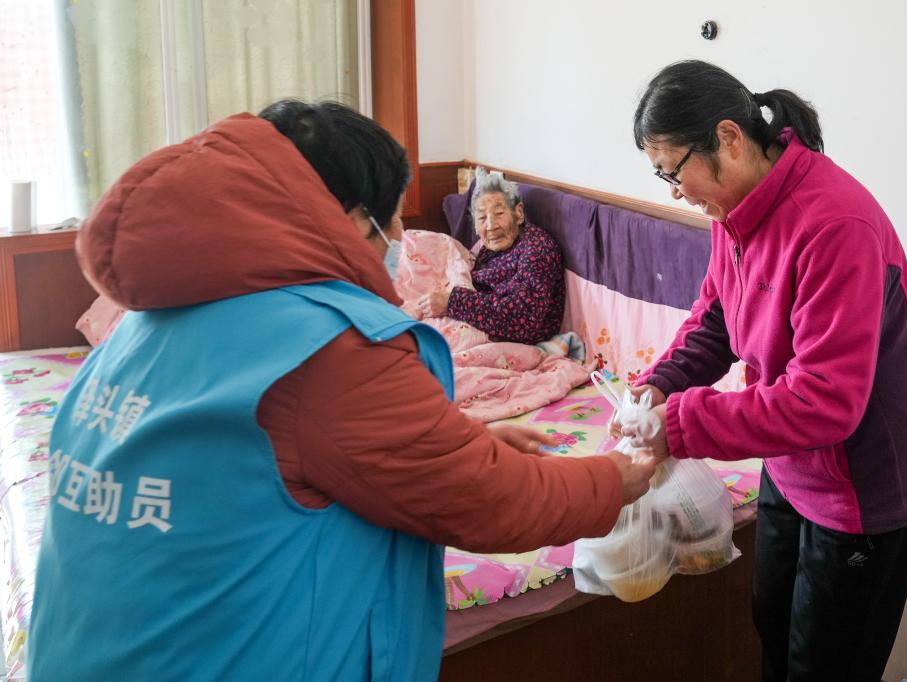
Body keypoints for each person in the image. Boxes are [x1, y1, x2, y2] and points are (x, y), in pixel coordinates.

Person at [28, 100, 657, 681]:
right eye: (392, 221)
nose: (397, 242)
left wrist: (462, 438)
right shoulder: (328, 342)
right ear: (355, 219)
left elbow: (266, 453)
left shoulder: (141, 326)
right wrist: (611, 480)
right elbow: (482, 500)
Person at [621, 61, 907, 682]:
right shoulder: (733, 212)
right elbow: (716, 317)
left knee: (822, 666)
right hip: (791, 462)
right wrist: (659, 385)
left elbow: (826, 400)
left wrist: (682, 423)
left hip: (863, 491)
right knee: (772, 627)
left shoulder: (834, 224)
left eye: (672, 170)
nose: (674, 191)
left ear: (729, 138)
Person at [416, 168, 565, 344]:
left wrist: (452, 302)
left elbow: (523, 319)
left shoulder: (537, 248)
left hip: (516, 342)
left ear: (518, 213)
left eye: (499, 214)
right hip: (479, 322)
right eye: (481, 218)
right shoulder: (492, 247)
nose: (491, 225)